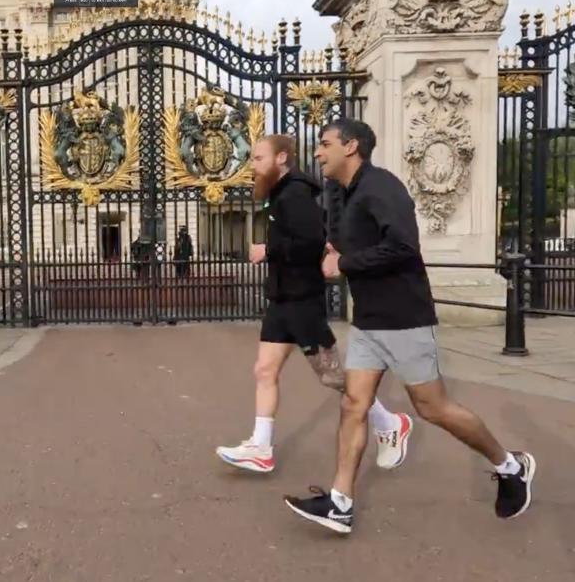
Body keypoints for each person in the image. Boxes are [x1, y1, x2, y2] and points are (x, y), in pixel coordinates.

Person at [284, 119, 535, 534]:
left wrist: (343, 263)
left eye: (324, 144)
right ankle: (340, 503)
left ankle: (511, 466)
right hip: (369, 321)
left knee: (433, 408)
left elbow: (403, 246)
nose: (316, 152)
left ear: (350, 147)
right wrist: (337, 248)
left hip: (404, 318)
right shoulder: (348, 194)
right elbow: (367, 243)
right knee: (353, 404)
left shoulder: (382, 186)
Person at [215, 134, 413, 474]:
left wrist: (268, 251)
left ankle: (389, 422)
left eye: (259, 158)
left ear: (280, 159)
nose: (253, 165)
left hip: (302, 301)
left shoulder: (295, 194)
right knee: (264, 370)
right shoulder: (279, 194)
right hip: (281, 300)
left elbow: (310, 243)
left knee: (333, 377)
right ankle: (261, 447)